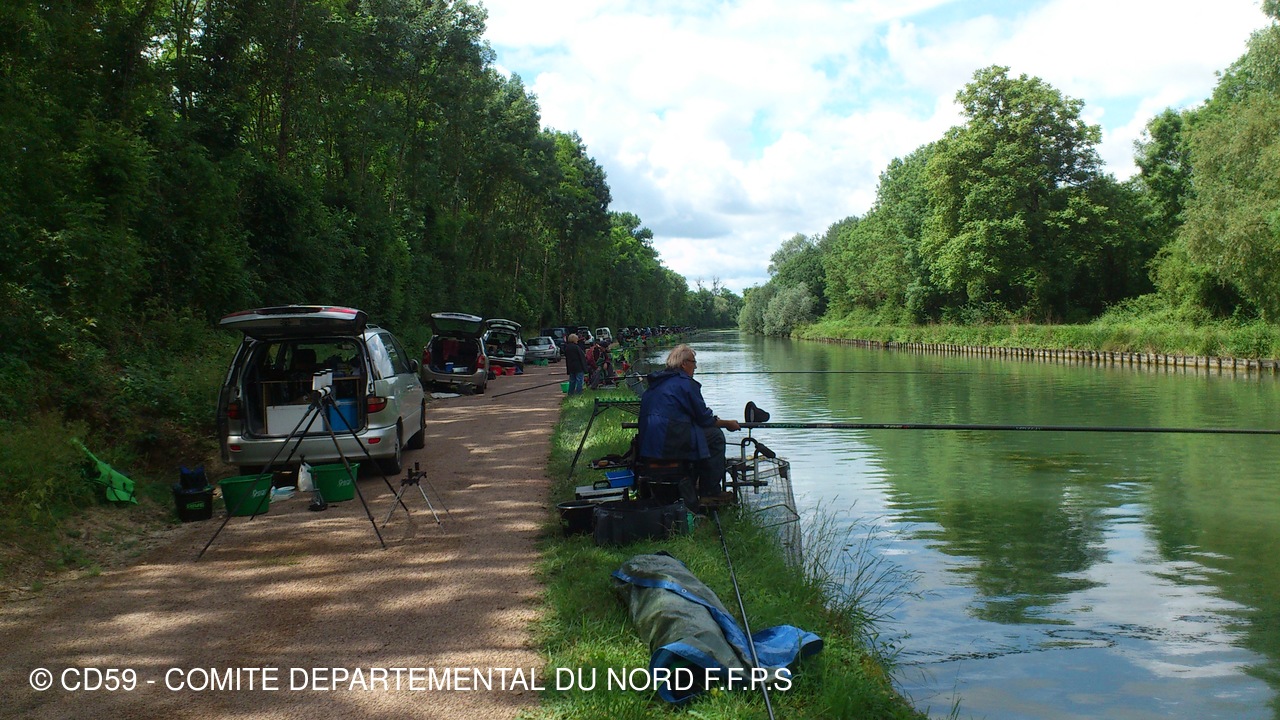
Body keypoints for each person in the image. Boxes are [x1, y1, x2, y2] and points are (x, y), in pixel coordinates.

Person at [637, 344, 740, 504]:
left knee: (699, 435)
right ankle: (710, 491)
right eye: (693, 362)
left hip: (647, 443)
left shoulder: (657, 383)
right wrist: (727, 423)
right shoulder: (685, 383)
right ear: (684, 364)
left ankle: (697, 482)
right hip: (668, 441)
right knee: (715, 437)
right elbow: (704, 419)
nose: (696, 366)